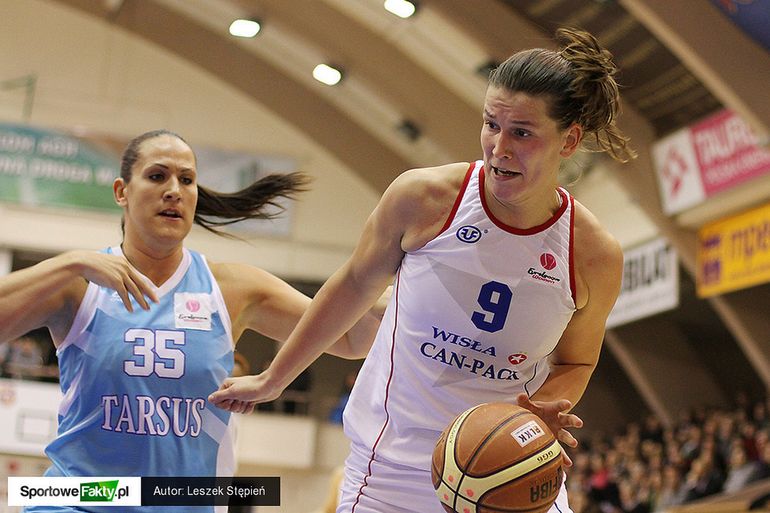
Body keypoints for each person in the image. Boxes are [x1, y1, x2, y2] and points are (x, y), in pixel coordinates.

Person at [210, 27, 635, 513]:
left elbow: (576, 363)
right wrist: (274, 378)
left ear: (569, 140)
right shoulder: (425, 198)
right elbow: (352, 286)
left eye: (521, 132)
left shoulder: (593, 254)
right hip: (393, 471)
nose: (499, 147)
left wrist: (540, 412)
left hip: (509, 471)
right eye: (491, 124)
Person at [0, 129, 382, 513]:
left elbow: (353, 338)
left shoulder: (233, 288)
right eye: (157, 176)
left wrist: (398, 272)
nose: (173, 190)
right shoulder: (80, 284)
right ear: (121, 191)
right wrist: (69, 263)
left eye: (186, 180)